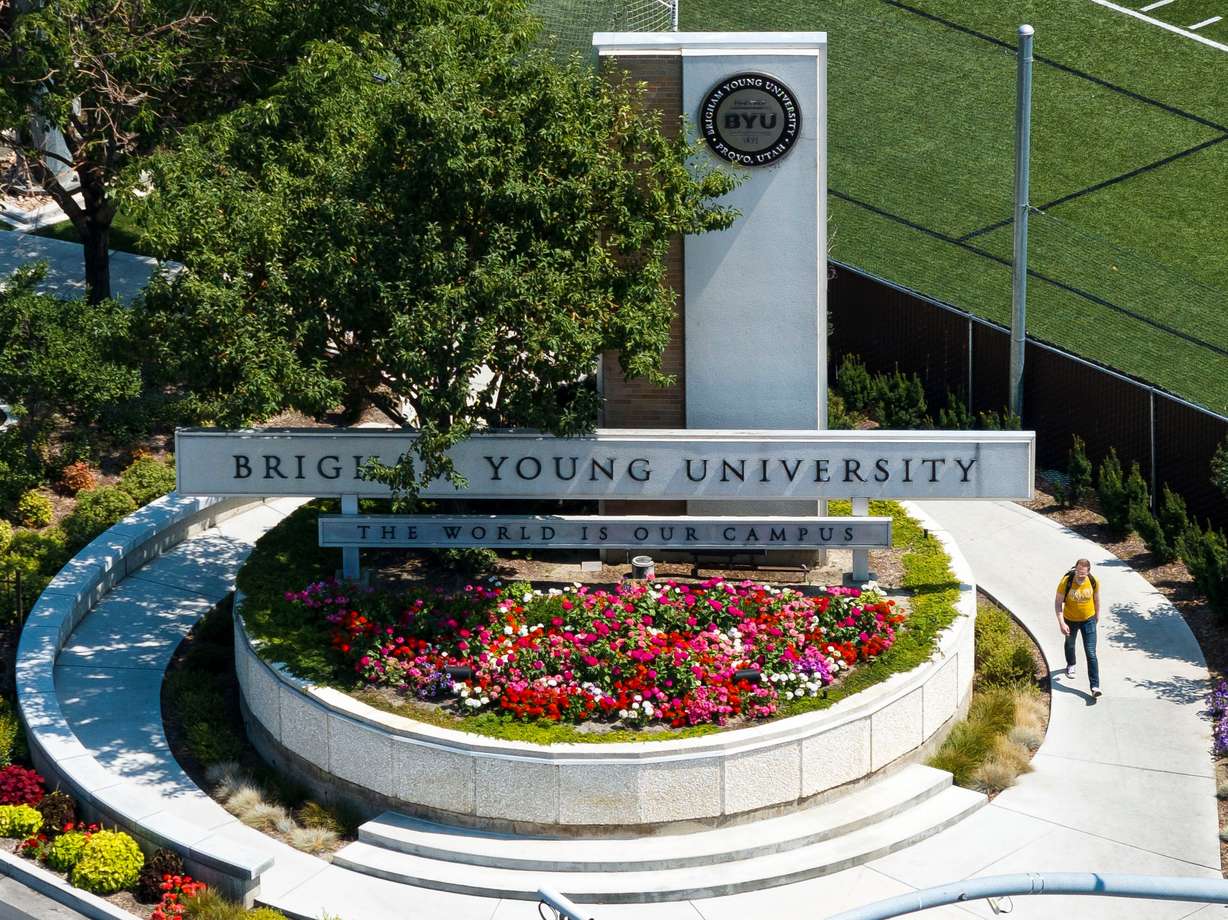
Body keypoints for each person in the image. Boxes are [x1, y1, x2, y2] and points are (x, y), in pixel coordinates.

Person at [1055, 558, 1101, 697]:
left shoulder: (1093, 581)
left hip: (1089, 620)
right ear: (1075, 569)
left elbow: (1097, 599)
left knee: (1091, 652)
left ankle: (1095, 686)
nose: (1080, 576)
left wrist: (1097, 616)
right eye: (1078, 573)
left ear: (1088, 572)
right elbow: (1058, 603)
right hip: (1070, 619)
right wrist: (1061, 623)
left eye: (1083, 574)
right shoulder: (1066, 582)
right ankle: (1071, 664)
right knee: (1070, 644)